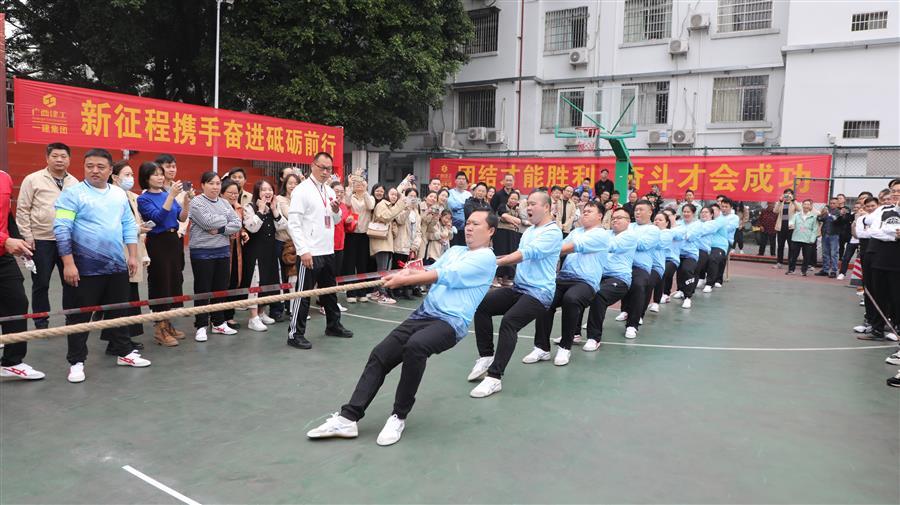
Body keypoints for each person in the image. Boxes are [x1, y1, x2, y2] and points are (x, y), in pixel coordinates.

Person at [306, 210, 498, 446]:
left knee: (416, 347)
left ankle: (398, 416)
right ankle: (348, 418)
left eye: (476, 224)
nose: (469, 227)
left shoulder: (486, 259)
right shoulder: (457, 250)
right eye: (467, 223)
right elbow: (430, 268)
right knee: (380, 354)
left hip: (450, 322)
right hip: (424, 314)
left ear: (490, 231)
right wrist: (408, 271)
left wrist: (406, 279)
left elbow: (445, 275)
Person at [54, 149, 148, 383]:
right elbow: (62, 230)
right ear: (84, 167)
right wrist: (68, 264)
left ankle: (123, 352)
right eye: (90, 166)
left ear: (110, 170)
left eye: (100, 167)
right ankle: (76, 361)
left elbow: (128, 224)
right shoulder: (72, 194)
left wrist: (133, 256)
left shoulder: (118, 194)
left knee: (119, 312)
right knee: (79, 317)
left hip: (116, 266)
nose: (95, 170)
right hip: (83, 269)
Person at [468, 191, 563, 398]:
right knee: (481, 305)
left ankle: (494, 378)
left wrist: (493, 262)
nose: (528, 208)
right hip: (520, 288)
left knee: (510, 322)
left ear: (546, 207)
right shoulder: (529, 231)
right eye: (527, 204)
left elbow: (525, 255)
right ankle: (486, 356)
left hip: (540, 293)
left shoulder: (552, 232)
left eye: (533, 204)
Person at [286, 152, 354, 350]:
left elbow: (337, 219)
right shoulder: (302, 190)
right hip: (310, 251)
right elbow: (294, 223)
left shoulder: (329, 191)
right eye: (322, 167)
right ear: (312, 165)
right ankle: (295, 334)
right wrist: (303, 250)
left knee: (330, 292)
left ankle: (333, 325)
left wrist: (335, 210)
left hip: (327, 249)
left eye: (329, 169)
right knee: (303, 294)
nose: (325, 172)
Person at [531, 201, 609, 365]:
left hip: (586, 282)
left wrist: (538, 251)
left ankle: (565, 347)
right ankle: (541, 348)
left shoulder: (602, 234)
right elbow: (559, 245)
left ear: (600, 215)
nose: (585, 213)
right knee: (545, 299)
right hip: (564, 277)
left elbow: (569, 248)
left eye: (590, 211)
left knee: (571, 299)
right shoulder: (576, 231)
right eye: (584, 210)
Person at [16, 142, 79, 329]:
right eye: (55, 156)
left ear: (69, 159)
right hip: (41, 240)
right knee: (41, 282)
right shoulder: (33, 179)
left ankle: (71, 317)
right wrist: (27, 236)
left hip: (67, 241)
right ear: (47, 158)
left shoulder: (74, 183)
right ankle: (41, 320)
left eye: (63, 156)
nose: (59, 160)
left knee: (71, 281)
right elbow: (22, 209)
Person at [137, 161, 190, 346]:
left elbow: (181, 217)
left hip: (173, 241)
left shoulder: (168, 194)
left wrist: (186, 202)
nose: (160, 177)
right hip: (158, 242)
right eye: (156, 174)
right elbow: (157, 218)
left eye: (161, 173)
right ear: (146, 178)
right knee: (160, 282)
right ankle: (159, 328)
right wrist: (172, 196)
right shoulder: (143, 199)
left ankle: (168, 323)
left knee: (174, 281)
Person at [0, 168, 46, 380]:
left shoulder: (5, 178)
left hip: (3, 257)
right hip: (3, 245)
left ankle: (12, 362)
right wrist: (5, 241)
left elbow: (6, 215)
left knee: (16, 303)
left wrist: (19, 240)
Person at [99, 161, 149, 353]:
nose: (130, 179)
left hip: (132, 250)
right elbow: (110, 225)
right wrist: (136, 229)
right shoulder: (109, 196)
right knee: (118, 296)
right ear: (115, 177)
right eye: (126, 175)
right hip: (116, 251)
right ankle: (116, 341)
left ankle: (124, 337)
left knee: (130, 295)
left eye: (131, 175)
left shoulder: (131, 196)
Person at [188, 171, 243, 342]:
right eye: (211, 183)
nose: (215, 186)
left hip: (222, 250)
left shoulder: (225, 203)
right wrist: (225, 221)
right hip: (202, 252)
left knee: (221, 289)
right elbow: (206, 222)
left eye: (218, 183)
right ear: (203, 185)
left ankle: (219, 322)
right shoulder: (196, 202)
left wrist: (219, 229)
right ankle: (201, 325)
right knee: (203, 290)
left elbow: (237, 224)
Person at [582, 207, 638, 351]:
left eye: (620, 218)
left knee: (599, 295)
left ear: (628, 221)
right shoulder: (606, 233)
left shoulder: (629, 236)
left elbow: (610, 246)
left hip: (619, 279)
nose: (615, 220)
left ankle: (594, 338)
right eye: (613, 217)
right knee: (576, 293)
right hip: (598, 276)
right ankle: (574, 333)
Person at [243, 180, 288, 332]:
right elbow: (252, 228)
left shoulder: (273, 207)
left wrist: (274, 210)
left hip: (270, 251)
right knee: (255, 283)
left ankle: (262, 313)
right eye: (263, 190)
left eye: (270, 189)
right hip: (255, 252)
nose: (267, 192)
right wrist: (261, 211)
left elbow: (283, 226)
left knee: (268, 281)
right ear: (257, 192)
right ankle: (253, 317)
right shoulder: (249, 208)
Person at [614, 200, 660, 338]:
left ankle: (632, 324)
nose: (638, 212)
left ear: (650, 212)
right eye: (636, 210)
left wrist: (626, 239)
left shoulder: (653, 229)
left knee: (639, 285)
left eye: (641, 209)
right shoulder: (630, 226)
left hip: (640, 266)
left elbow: (643, 245)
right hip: (621, 264)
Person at [369, 185, 411, 304]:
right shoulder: (382, 204)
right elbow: (385, 217)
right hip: (381, 241)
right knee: (382, 269)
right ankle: (382, 293)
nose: (394, 197)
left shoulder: (392, 207)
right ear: (387, 195)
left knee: (384, 268)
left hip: (387, 242)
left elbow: (400, 220)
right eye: (392, 194)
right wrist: (399, 205)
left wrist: (406, 208)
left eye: (396, 195)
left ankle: (377, 291)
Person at [273, 173, 303, 320]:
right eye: (290, 183)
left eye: (296, 183)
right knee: (282, 277)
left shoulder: (302, 199)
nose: (292, 186)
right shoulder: (280, 199)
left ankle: (292, 308)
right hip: (282, 242)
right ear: (284, 185)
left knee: (294, 276)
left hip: (297, 242)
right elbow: (291, 216)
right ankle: (279, 308)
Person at [220, 180, 249, 329]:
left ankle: (229, 316)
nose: (233, 196)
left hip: (236, 250)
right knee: (221, 283)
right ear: (222, 193)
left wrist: (243, 233)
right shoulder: (218, 208)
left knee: (233, 281)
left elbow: (241, 226)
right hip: (221, 249)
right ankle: (217, 317)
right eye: (229, 193)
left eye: (235, 193)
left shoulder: (239, 208)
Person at [344, 173, 375, 303]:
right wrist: (350, 186)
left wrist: (366, 191)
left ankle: (362, 292)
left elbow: (371, 206)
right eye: (357, 184)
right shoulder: (351, 197)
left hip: (364, 235)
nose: (359, 185)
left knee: (362, 264)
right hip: (351, 233)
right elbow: (346, 202)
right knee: (350, 264)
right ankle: (351, 292)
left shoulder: (369, 197)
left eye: (362, 183)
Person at [391, 187, 423, 300]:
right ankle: (394, 289)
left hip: (412, 245)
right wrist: (407, 208)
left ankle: (406, 289)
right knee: (397, 267)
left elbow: (419, 230)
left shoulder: (417, 212)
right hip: (401, 243)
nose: (413, 199)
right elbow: (400, 220)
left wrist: (415, 245)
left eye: (415, 197)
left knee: (409, 269)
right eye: (410, 196)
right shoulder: (401, 208)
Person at [786, 199, 818, 276]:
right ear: (802, 205)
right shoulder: (797, 215)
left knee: (806, 257)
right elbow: (791, 221)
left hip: (808, 239)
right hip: (796, 238)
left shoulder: (814, 216)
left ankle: (803, 271)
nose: (806, 206)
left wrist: (812, 239)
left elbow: (815, 229)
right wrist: (790, 224)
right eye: (805, 204)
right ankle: (791, 270)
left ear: (810, 206)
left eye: (808, 204)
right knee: (793, 256)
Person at [773, 189, 800, 268]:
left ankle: (790, 263)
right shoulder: (781, 203)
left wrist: (793, 200)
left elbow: (800, 209)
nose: (787, 195)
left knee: (791, 246)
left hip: (790, 227)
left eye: (789, 194)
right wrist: (780, 201)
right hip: (781, 227)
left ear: (792, 195)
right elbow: (775, 211)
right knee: (780, 246)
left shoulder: (793, 203)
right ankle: (779, 263)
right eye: (786, 194)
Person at [816, 197, 841, 278]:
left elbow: (834, 219)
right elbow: (819, 219)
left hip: (834, 235)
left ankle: (834, 270)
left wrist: (828, 214)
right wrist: (821, 213)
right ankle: (825, 270)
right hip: (825, 234)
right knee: (825, 253)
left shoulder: (839, 212)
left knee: (834, 253)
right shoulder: (826, 211)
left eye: (834, 203)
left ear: (838, 204)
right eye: (831, 203)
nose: (832, 205)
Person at [447, 172, 472, 246]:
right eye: (459, 179)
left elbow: (469, 208)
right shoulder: (450, 193)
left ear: (466, 181)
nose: (461, 181)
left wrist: (460, 206)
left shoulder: (469, 194)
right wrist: (464, 204)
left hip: (465, 227)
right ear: (455, 181)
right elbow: (452, 206)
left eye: (463, 179)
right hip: (452, 226)